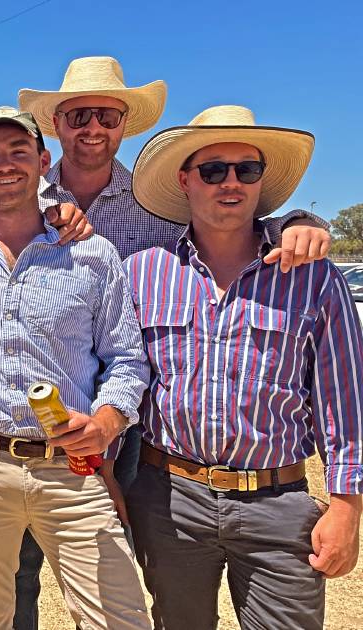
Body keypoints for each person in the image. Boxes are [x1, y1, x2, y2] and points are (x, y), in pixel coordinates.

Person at [0, 55, 333, 629]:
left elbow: (228, 219)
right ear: (57, 127)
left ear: (123, 123)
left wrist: (296, 221)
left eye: (105, 115)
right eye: (78, 115)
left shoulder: (157, 205)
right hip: (4, 440)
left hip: (128, 430)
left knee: (124, 587)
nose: (92, 127)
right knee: (10, 589)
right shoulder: (2, 201)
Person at [124, 105, 363, 628]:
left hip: (278, 503)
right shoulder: (142, 275)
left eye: (245, 170)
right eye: (213, 170)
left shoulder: (316, 280)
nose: (230, 182)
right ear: (186, 181)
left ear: (260, 182)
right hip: (169, 500)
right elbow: (119, 377)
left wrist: (346, 508)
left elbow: (344, 405)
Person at [0, 106, 151, 629]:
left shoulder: (92, 254)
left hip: (71, 469)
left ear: (44, 162)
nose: (6, 165)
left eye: (20, 151)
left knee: (119, 616)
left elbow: (127, 359)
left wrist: (108, 422)